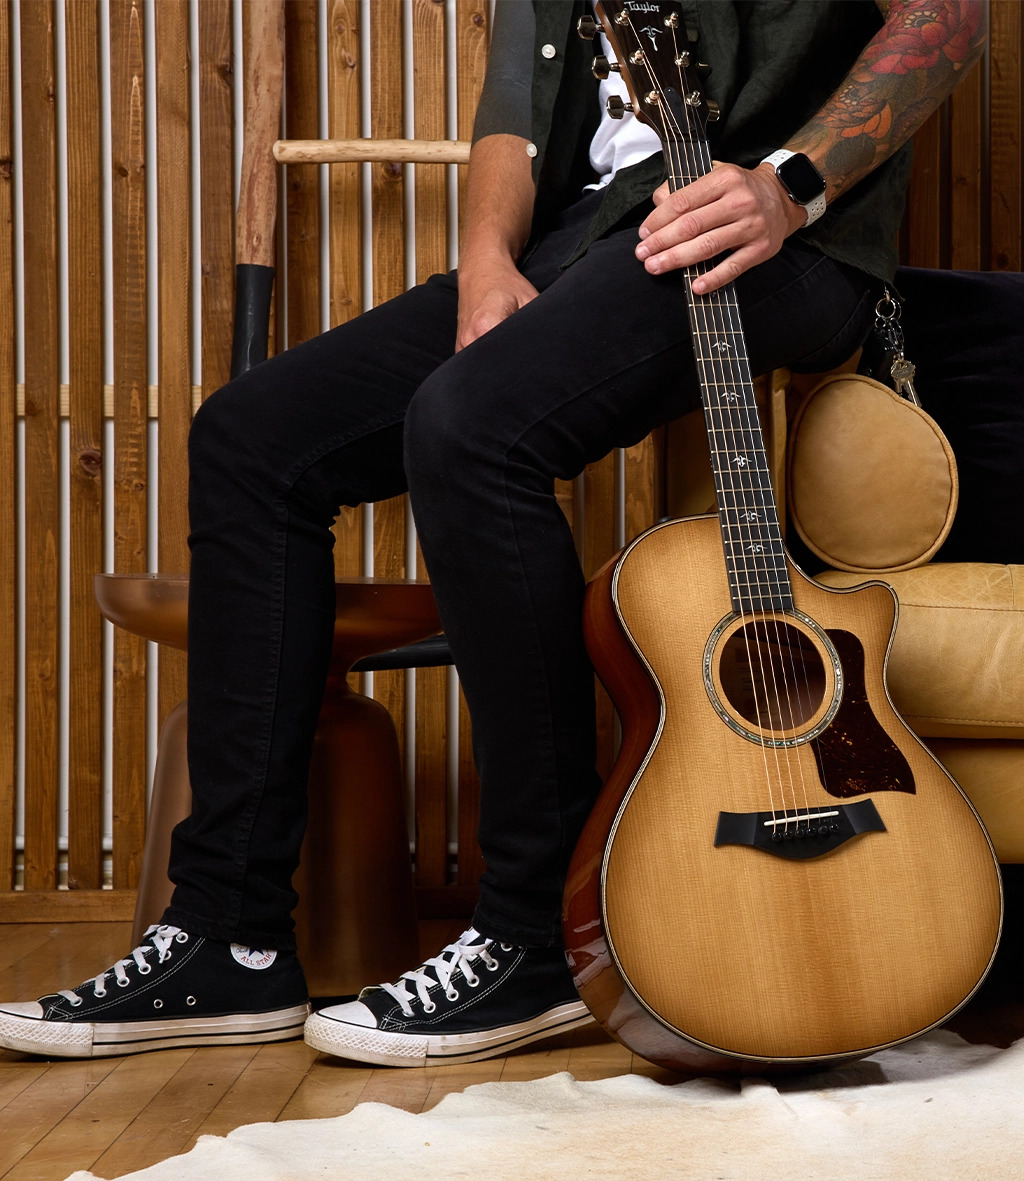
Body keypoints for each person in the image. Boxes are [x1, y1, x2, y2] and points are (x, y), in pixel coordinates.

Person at [0, 0, 985, 1066]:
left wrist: (789, 184)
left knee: (470, 428)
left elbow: (952, 14)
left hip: (776, 238)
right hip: (588, 235)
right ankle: (226, 940)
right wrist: (483, 261)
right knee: (251, 437)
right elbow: (515, 112)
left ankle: (537, 935)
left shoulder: (791, 198)